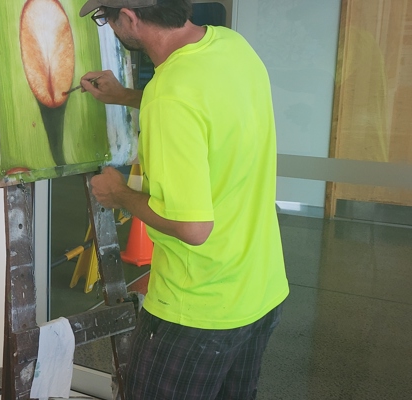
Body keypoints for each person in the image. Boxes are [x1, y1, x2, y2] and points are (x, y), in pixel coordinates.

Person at [77, 0, 289, 398]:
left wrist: (118, 193)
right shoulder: (231, 46)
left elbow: (193, 229)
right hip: (261, 288)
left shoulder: (169, 98)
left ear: (132, 18)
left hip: (199, 308)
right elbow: (201, 107)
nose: (109, 26)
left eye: (105, 17)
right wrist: (125, 96)